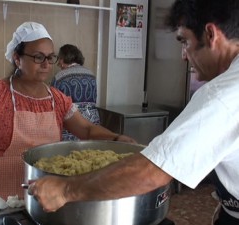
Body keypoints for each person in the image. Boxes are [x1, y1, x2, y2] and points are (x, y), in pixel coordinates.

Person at [28, 1, 239, 224]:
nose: (183, 56)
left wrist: (66, 189)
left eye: (185, 41)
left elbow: (153, 171)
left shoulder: (222, 93)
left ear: (210, 34)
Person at [0, 21, 136, 205]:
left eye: (50, 57)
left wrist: (116, 138)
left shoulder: (57, 99)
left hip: (41, 192)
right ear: (17, 58)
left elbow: (86, 129)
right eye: (38, 57)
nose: (46, 64)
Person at [51, 44, 99, 141]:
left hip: (71, 126)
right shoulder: (91, 74)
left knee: (70, 154)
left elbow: (53, 103)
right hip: (92, 123)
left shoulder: (59, 77)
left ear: (64, 58)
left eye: (59, 58)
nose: (58, 63)